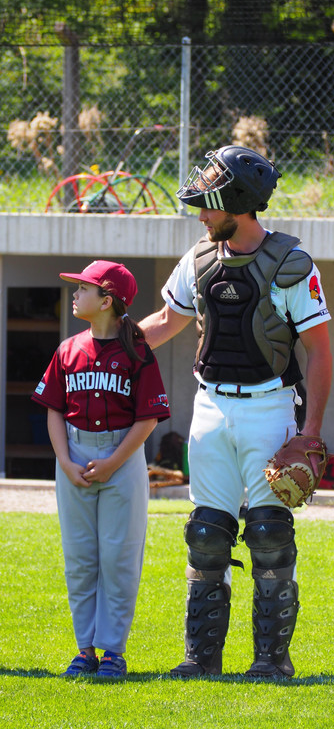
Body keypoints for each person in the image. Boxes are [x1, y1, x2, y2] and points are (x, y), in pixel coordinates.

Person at [139, 145, 332, 679]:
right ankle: (201, 659)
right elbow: (166, 321)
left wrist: (311, 432)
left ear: (239, 202)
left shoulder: (292, 263)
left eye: (209, 203)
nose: (201, 214)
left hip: (270, 407)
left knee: (269, 532)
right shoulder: (199, 258)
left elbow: (319, 350)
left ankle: (271, 661)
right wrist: (106, 343)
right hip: (210, 405)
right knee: (206, 533)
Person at [32, 260, 170, 678]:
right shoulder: (68, 349)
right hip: (73, 453)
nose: (75, 294)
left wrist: (113, 462)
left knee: (118, 556)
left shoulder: (137, 351)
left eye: (83, 288)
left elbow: (148, 418)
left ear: (107, 300)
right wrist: (64, 461)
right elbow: (54, 410)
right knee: (80, 558)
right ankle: (85, 649)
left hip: (121, 457)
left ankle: (113, 651)